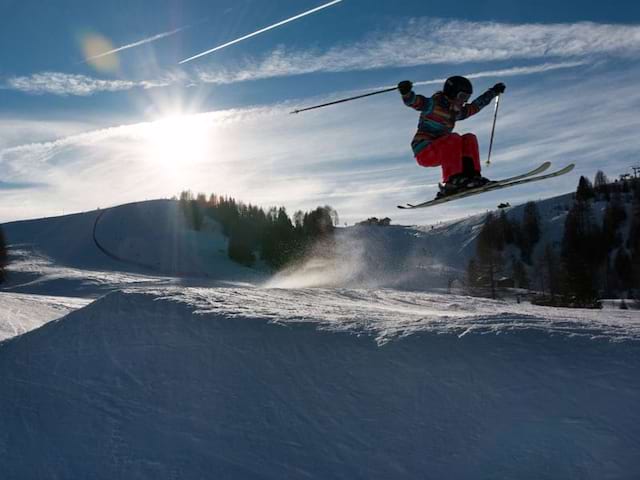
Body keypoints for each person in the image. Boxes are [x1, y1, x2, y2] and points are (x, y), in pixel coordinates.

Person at [398, 76, 506, 196]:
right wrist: (406, 92)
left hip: (443, 150)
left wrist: (492, 92)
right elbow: (415, 102)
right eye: (462, 96)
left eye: (467, 98)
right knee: (453, 138)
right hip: (424, 151)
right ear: (452, 93)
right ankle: (453, 181)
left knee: (469, 138)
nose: (464, 101)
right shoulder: (432, 105)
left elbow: (475, 106)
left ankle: (472, 176)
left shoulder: (456, 113)